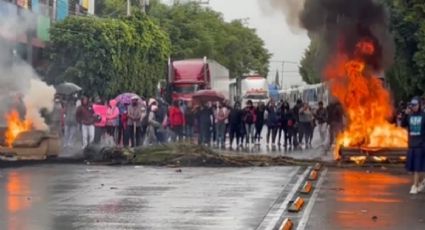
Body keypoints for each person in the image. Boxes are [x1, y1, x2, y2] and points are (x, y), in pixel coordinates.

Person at [405, 98, 425, 194]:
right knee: (414, 168)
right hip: (412, 145)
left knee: (418, 167)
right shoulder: (409, 116)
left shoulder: (424, 116)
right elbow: (404, 124)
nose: (414, 107)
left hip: (421, 145)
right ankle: (421, 182)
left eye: (415, 105)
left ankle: (415, 185)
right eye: (412, 105)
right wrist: (406, 113)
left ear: (419, 105)